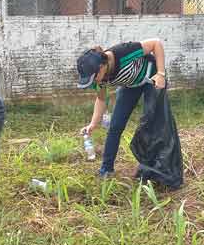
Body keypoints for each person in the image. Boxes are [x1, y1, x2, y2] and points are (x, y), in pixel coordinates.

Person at [77, 39, 181, 185]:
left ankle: (160, 170)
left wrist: (161, 74)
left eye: (93, 78)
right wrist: (93, 124)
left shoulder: (123, 52)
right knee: (115, 127)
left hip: (152, 78)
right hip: (131, 85)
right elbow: (101, 100)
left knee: (153, 123)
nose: (93, 82)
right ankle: (106, 169)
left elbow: (156, 43)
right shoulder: (99, 79)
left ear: (101, 67)